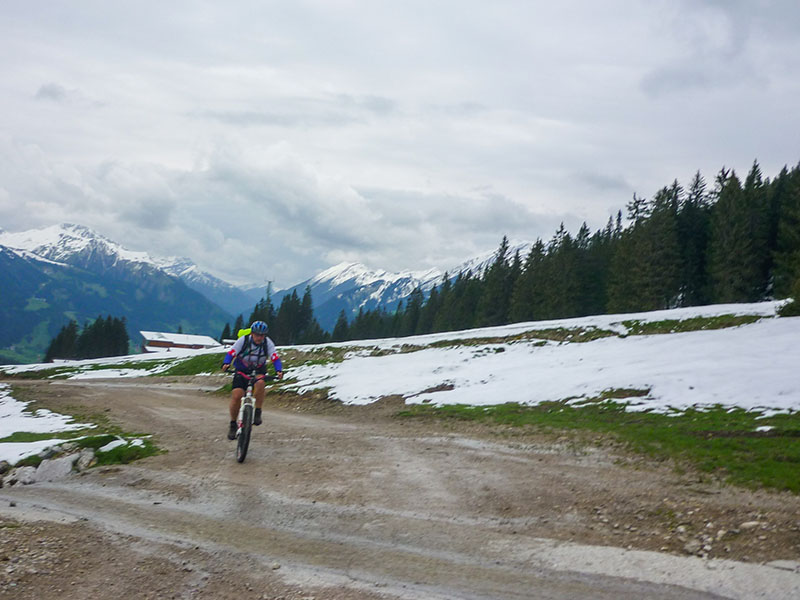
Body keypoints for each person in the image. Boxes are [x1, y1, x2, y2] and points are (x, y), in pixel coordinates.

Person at [221, 320, 284, 440]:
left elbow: (275, 358)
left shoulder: (267, 343)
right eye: (257, 334)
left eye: (262, 335)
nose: (259, 337)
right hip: (241, 371)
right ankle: (233, 424)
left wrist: (279, 370)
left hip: (258, 371)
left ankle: (258, 412)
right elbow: (232, 353)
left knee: (260, 383)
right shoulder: (243, 340)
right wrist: (226, 363)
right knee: (237, 396)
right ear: (252, 333)